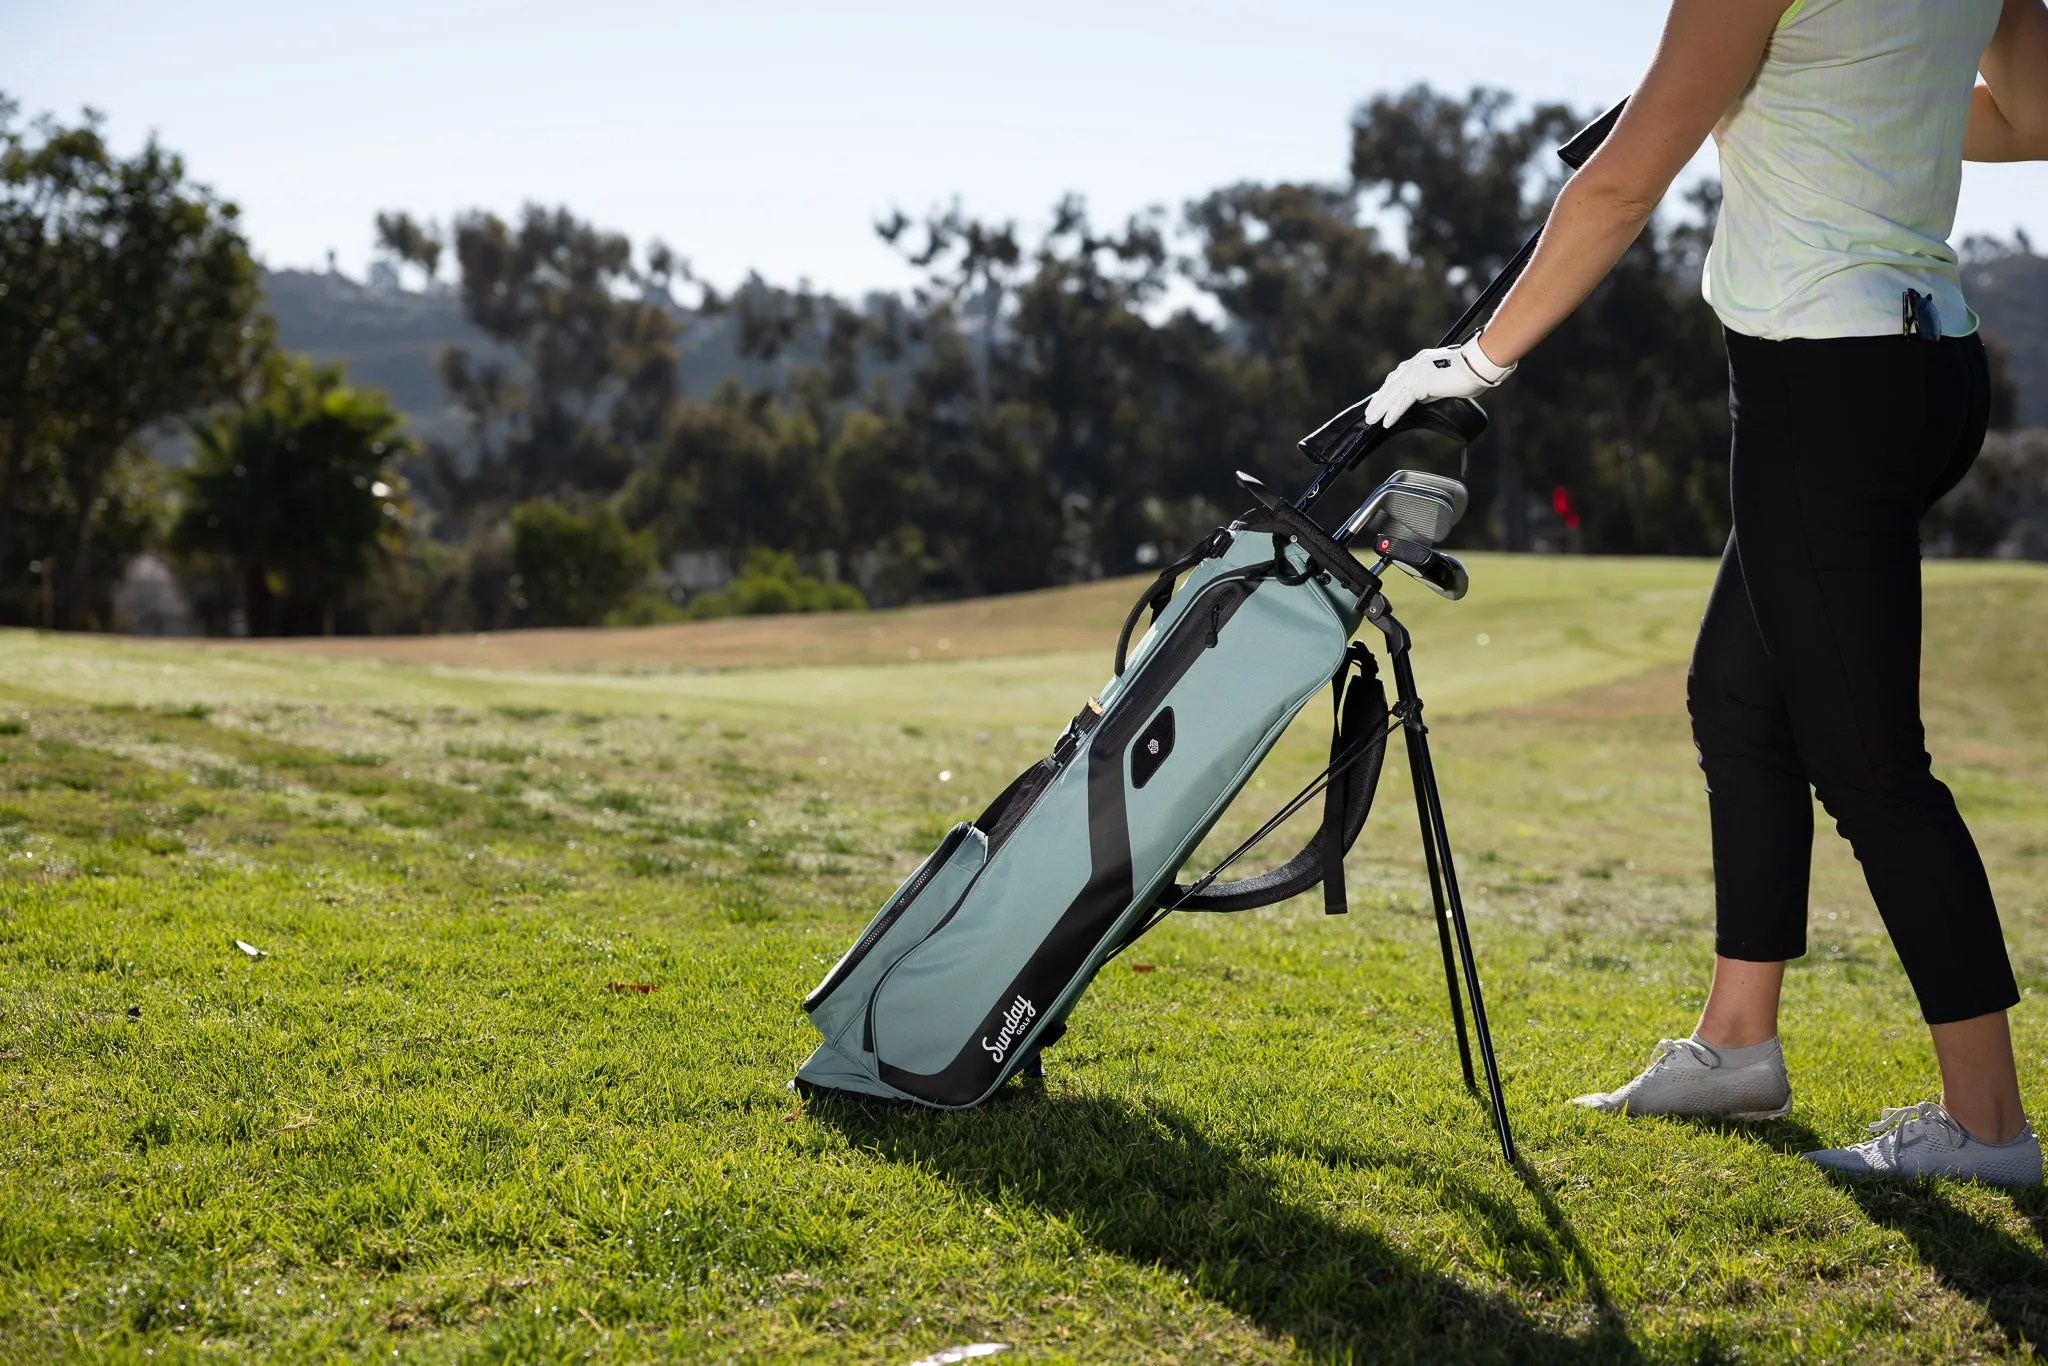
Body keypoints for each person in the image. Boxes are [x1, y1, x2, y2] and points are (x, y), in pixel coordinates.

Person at [1362, 0, 2048, 1185]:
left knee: (1868, 763)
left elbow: (1622, 188)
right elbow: (2032, 117)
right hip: (1927, 368)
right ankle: (1735, 1045)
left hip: (1818, 380)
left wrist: (1471, 363)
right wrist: (1830, 111)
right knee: (1736, 698)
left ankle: (1985, 1123)